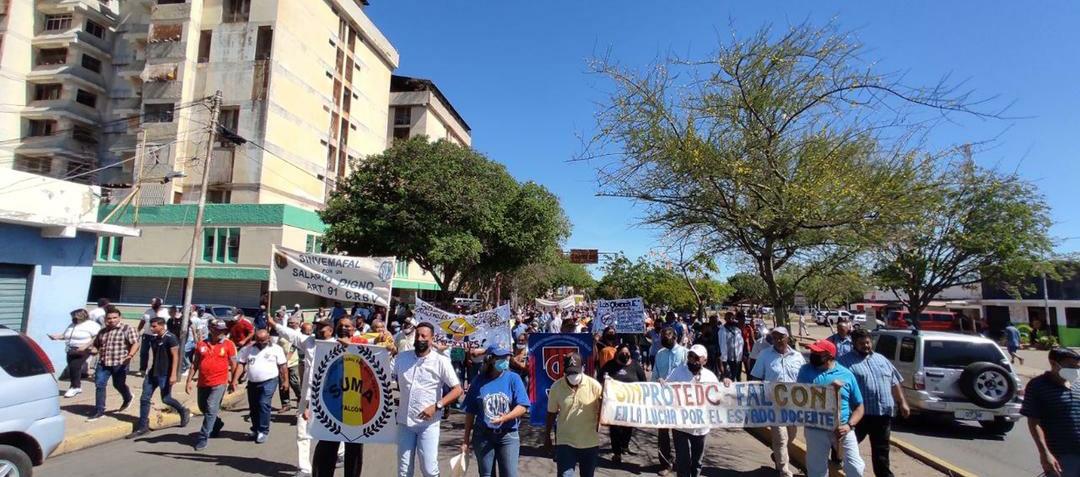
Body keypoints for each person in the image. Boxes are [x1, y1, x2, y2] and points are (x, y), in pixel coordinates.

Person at [394, 322, 463, 477]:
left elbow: (457, 389)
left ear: (432, 339)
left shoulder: (440, 361)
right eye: (417, 335)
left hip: (428, 424)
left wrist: (437, 406)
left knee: (429, 469)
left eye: (424, 336)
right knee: (404, 470)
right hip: (405, 421)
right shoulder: (402, 358)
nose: (420, 339)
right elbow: (384, 373)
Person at [838, 329, 910, 477]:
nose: (866, 346)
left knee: (881, 449)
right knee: (846, 444)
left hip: (882, 413)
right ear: (854, 344)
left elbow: (894, 382)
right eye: (861, 343)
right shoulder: (844, 362)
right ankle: (837, 461)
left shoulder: (881, 359)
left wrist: (902, 402)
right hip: (859, 414)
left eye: (868, 342)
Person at [797, 339, 866, 477]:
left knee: (855, 467)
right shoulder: (805, 371)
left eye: (817, 353)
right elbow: (799, 398)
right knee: (817, 470)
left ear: (829, 356)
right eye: (812, 351)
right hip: (815, 428)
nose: (812, 354)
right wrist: (829, 389)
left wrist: (849, 425)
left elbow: (859, 406)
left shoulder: (846, 374)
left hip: (842, 429)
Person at [461, 345, 530, 477]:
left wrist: (506, 417)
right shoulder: (478, 381)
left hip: (508, 435)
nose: (505, 360)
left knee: (509, 474)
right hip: (483, 435)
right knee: (486, 474)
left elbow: (523, 406)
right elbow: (470, 411)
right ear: (490, 359)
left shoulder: (513, 378)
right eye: (500, 357)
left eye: (506, 356)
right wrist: (465, 440)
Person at [750, 326, 804, 477]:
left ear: (787, 338)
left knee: (791, 435)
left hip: (794, 405)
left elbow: (804, 379)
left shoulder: (798, 357)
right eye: (775, 337)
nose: (778, 340)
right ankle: (783, 470)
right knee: (781, 437)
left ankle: (777, 456)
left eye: (781, 337)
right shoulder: (765, 355)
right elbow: (756, 377)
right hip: (774, 405)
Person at [128, 317, 191, 438]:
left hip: (165, 373)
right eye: (151, 326)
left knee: (166, 399)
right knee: (144, 398)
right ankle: (143, 426)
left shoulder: (170, 338)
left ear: (162, 326)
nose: (152, 328)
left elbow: (176, 357)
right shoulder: (155, 339)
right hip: (153, 373)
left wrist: (173, 375)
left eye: (154, 326)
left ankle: (182, 410)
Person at [1021, 347, 1079, 477]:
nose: (1075, 370)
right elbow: (1034, 422)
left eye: (1077, 367)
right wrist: (1044, 453)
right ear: (1053, 363)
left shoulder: (1078, 383)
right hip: (1062, 456)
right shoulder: (1037, 386)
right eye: (1070, 366)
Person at [665, 345, 722, 477]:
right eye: (690, 356)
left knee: (697, 462)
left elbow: (719, 397)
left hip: (701, 427)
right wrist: (663, 383)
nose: (692, 360)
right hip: (681, 426)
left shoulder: (710, 376)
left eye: (696, 358)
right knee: (682, 462)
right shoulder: (678, 371)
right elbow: (666, 389)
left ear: (704, 361)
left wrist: (726, 384)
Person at [545, 353, 601, 477]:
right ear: (564, 371)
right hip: (565, 442)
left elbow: (604, 411)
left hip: (589, 443)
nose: (573, 376)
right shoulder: (556, 387)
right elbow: (551, 413)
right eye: (570, 373)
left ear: (583, 368)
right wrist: (547, 436)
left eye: (576, 372)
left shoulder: (595, 386)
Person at [186, 319, 237, 451]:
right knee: (203, 407)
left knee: (210, 408)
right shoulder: (201, 344)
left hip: (219, 383)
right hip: (203, 382)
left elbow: (234, 364)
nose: (221, 332)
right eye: (218, 330)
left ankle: (203, 437)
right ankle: (217, 423)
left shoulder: (228, 344)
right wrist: (189, 381)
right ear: (211, 329)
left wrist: (234, 380)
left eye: (223, 330)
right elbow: (195, 363)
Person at [231, 329, 287, 443]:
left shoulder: (276, 349)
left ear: (269, 338)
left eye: (264, 340)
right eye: (259, 341)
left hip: (269, 381)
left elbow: (283, 366)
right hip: (252, 383)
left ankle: (263, 431)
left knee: (263, 403)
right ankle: (255, 429)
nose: (262, 343)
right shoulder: (248, 349)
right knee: (254, 407)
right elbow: (241, 364)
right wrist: (235, 380)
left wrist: (285, 381)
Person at [89, 306, 139, 421]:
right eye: (109, 318)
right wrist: (90, 351)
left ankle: (128, 397)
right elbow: (97, 346)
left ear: (119, 317)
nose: (111, 320)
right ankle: (99, 410)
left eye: (114, 317)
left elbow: (135, 343)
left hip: (120, 363)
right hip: (103, 363)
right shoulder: (103, 331)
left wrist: (130, 356)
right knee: (99, 384)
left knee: (118, 384)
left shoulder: (127, 329)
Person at [599, 343, 646, 463]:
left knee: (628, 426)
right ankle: (617, 452)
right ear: (616, 354)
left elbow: (644, 382)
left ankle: (624, 445)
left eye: (627, 353)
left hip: (630, 403)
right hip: (614, 403)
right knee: (614, 428)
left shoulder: (635, 365)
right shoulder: (610, 365)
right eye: (622, 353)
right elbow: (600, 379)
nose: (625, 355)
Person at [653, 327, 686, 475]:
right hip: (663, 401)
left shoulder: (685, 353)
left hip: (680, 400)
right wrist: (656, 381)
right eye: (661, 336)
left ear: (675, 337)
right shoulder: (659, 354)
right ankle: (666, 463)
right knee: (663, 433)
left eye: (666, 336)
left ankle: (682, 463)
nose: (663, 339)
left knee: (680, 433)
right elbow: (655, 375)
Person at [49, 308, 101, 398]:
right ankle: (76, 386)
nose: (73, 319)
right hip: (71, 349)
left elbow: (97, 337)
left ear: (82, 316)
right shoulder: (72, 325)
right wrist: (57, 337)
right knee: (73, 368)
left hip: (84, 349)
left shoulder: (91, 325)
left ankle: (75, 387)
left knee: (75, 366)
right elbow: (65, 336)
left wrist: (86, 345)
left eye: (75, 317)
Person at [136, 297, 168, 376]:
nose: (152, 304)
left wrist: (157, 313)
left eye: (154, 303)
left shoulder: (165, 312)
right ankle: (143, 369)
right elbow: (142, 321)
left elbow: (164, 323)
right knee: (143, 353)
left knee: (156, 353)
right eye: (152, 302)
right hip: (147, 335)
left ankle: (155, 370)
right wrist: (138, 330)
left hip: (158, 336)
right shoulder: (148, 311)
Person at [278, 316, 303, 412]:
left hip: (294, 361)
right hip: (281, 362)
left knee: (295, 382)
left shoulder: (299, 333)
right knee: (283, 383)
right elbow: (279, 344)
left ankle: (300, 399)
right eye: (289, 322)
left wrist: (288, 357)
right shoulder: (284, 332)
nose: (290, 324)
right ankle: (285, 403)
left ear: (298, 323)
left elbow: (294, 346)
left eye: (292, 322)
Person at [718, 312, 744, 381]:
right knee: (728, 377)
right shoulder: (722, 330)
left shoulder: (738, 330)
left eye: (732, 318)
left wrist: (740, 357)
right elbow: (721, 345)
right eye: (728, 318)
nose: (730, 319)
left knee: (737, 377)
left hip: (737, 359)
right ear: (725, 319)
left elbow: (741, 344)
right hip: (727, 360)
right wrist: (723, 360)